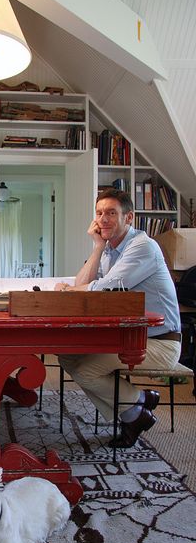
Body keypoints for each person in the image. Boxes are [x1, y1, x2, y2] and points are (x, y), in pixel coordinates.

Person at [55, 188, 181, 447]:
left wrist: (68, 291)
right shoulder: (110, 248)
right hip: (128, 336)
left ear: (130, 217)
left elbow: (106, 289)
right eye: (99, 213)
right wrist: (98, 246)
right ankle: (133, 410)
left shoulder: (143, 246)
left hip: (159, 342)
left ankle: (137, 407)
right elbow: (83, 283)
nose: (103, 219)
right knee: (67, 354)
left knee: (88, 372)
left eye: (111, 213)